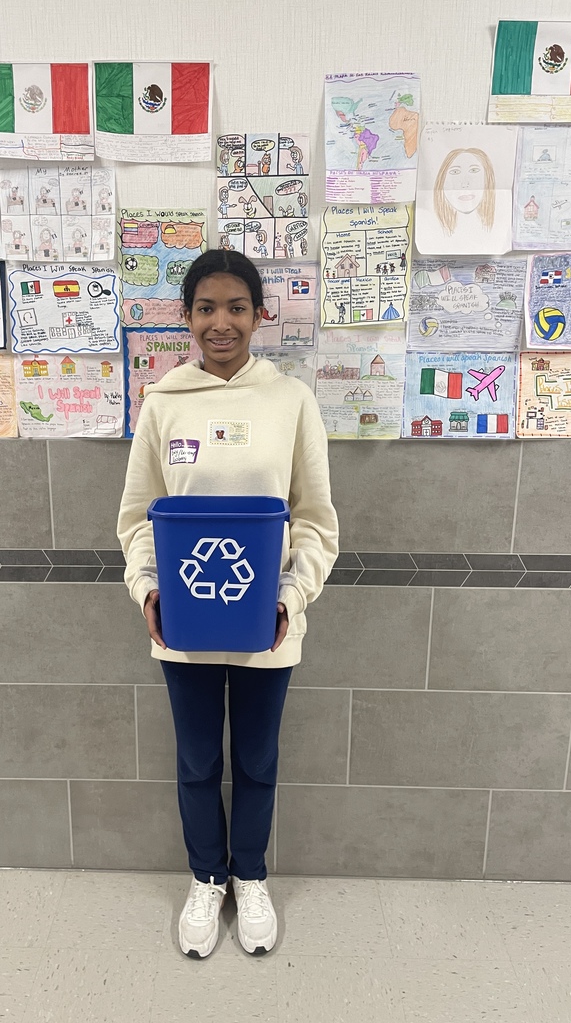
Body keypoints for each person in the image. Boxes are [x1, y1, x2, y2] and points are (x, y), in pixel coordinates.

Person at [117, 250, 339, 961]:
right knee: (195, 761)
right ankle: (206, 876)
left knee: (257, 760)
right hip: (183, 624)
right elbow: (135, 519)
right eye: (206, 308)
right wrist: (147, 591)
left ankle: (250, 874)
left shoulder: (290, 400)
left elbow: (315, 520)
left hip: (265, 624)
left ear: (258, 315)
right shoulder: (163, 402)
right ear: (185, 317)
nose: (221, 323)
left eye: (236, 307)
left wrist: (290, 597)